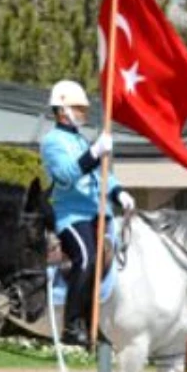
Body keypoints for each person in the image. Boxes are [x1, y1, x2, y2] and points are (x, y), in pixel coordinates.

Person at [40, 80, 136, 349]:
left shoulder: (80, 139)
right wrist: (94, 153)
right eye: (78, 108)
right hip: (71, 215)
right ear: (61, 110)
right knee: (86, 258)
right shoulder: (52, 142)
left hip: (98, 213)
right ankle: (72, 324)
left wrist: (120, 194)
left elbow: (102, 176)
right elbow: (64, 176)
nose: (83, 113)